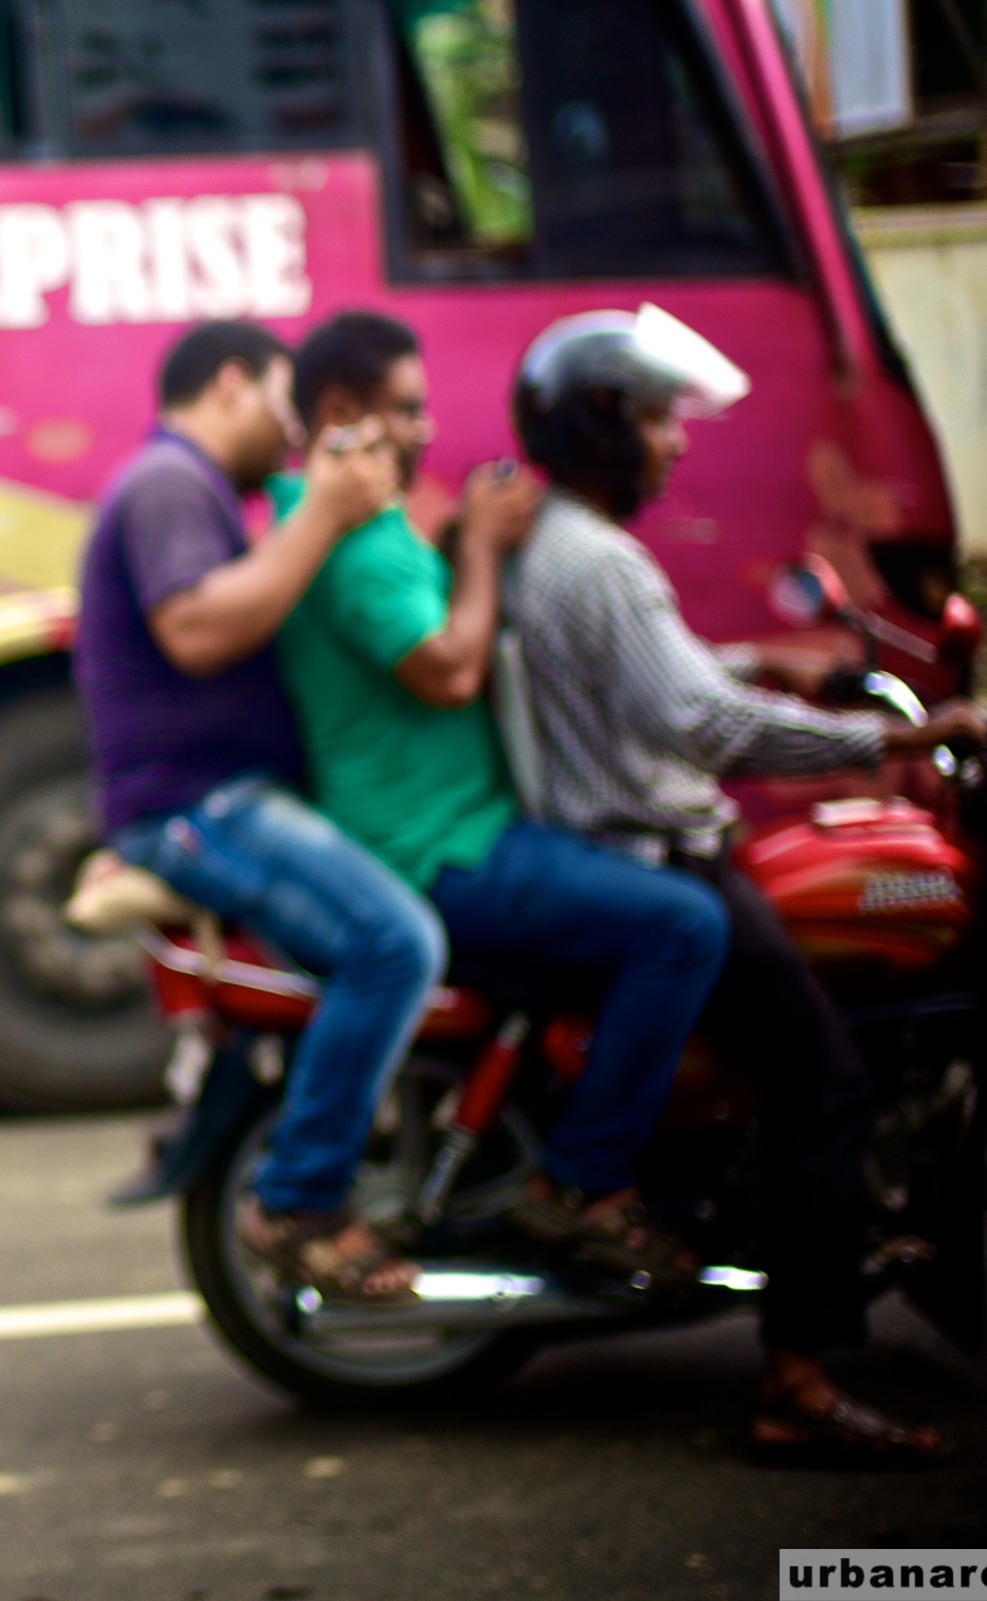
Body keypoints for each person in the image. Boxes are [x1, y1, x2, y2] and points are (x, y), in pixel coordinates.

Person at [503, 304, 981, 1468]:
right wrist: (890, 739)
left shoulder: (562, 545)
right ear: (602, 427)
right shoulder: (602, 559)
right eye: (658, 420)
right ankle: (798, 1381)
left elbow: (649, 681)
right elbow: (700, 724)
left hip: (624, 839)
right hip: (661, 856)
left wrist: (760, 660)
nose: (677, 441)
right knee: (830, 1087)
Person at [273, 311, 732, 1278]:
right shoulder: (354, 541)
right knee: (684, 926)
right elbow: (447, 671)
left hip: (458, 828)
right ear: (341, 412)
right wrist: (478, 548)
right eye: (407, 410)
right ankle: (582, 1183)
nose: (427, 429)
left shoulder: (335, 520)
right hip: (444, 845)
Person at [76, 319, 427, 1306]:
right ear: (231, 383)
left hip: (214, 801)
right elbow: (194, 630)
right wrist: (322, 515)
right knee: (393, 946)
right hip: (205, 806)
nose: (292, 430)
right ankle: (300, 1202)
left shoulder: (190, 488)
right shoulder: (169, 483)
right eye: (281, 400)